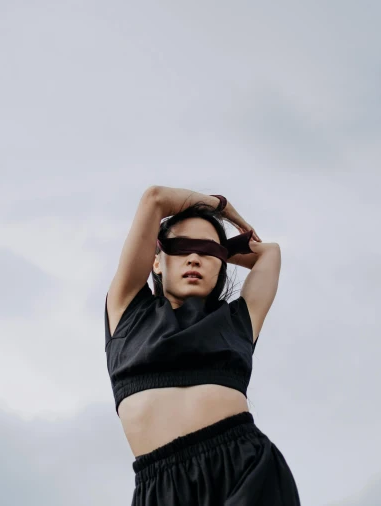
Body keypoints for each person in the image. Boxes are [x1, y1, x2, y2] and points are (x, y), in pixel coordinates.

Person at [104, 186, 301, 505]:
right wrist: (223, 208)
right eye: (181, 247)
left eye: (209, 252)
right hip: (161, 490)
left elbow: (269, 252)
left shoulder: (238, 321)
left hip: (246, 471)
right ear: (156, 261)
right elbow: (155, 199)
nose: (194, 257)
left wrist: (217, 247)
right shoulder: (125, 312)